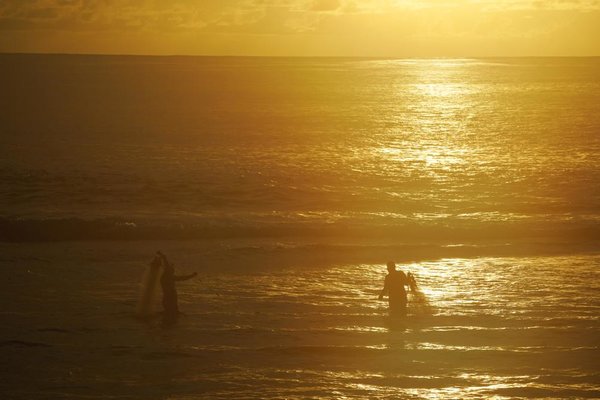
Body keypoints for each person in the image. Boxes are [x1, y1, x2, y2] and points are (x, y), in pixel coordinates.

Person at [156, 251, 197, 323]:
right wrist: (163, 256)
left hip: (169, 296)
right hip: (169, 296)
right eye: (172, 270)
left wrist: (192, 276)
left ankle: (170, 314)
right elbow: (167, 265)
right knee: (171, 308)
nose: (173, 271)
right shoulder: (167, 276)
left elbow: (182, 278)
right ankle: (170, 315)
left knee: (171, 309)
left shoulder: (169, 277)